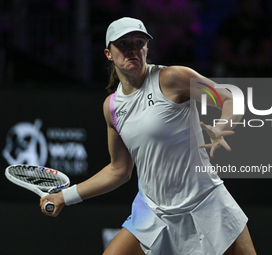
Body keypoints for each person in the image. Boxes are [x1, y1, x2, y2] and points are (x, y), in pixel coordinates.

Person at [40, 17, 257, 255]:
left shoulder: (172, 79)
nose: (133, 49)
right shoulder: (111, 107)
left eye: (139, 42)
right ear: (108, 53)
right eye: (123, 44)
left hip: (205, 203)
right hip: (153, 213)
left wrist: (222, 126)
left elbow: (229, 98)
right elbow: (118, 170)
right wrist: (64, 197)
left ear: (146, 49)